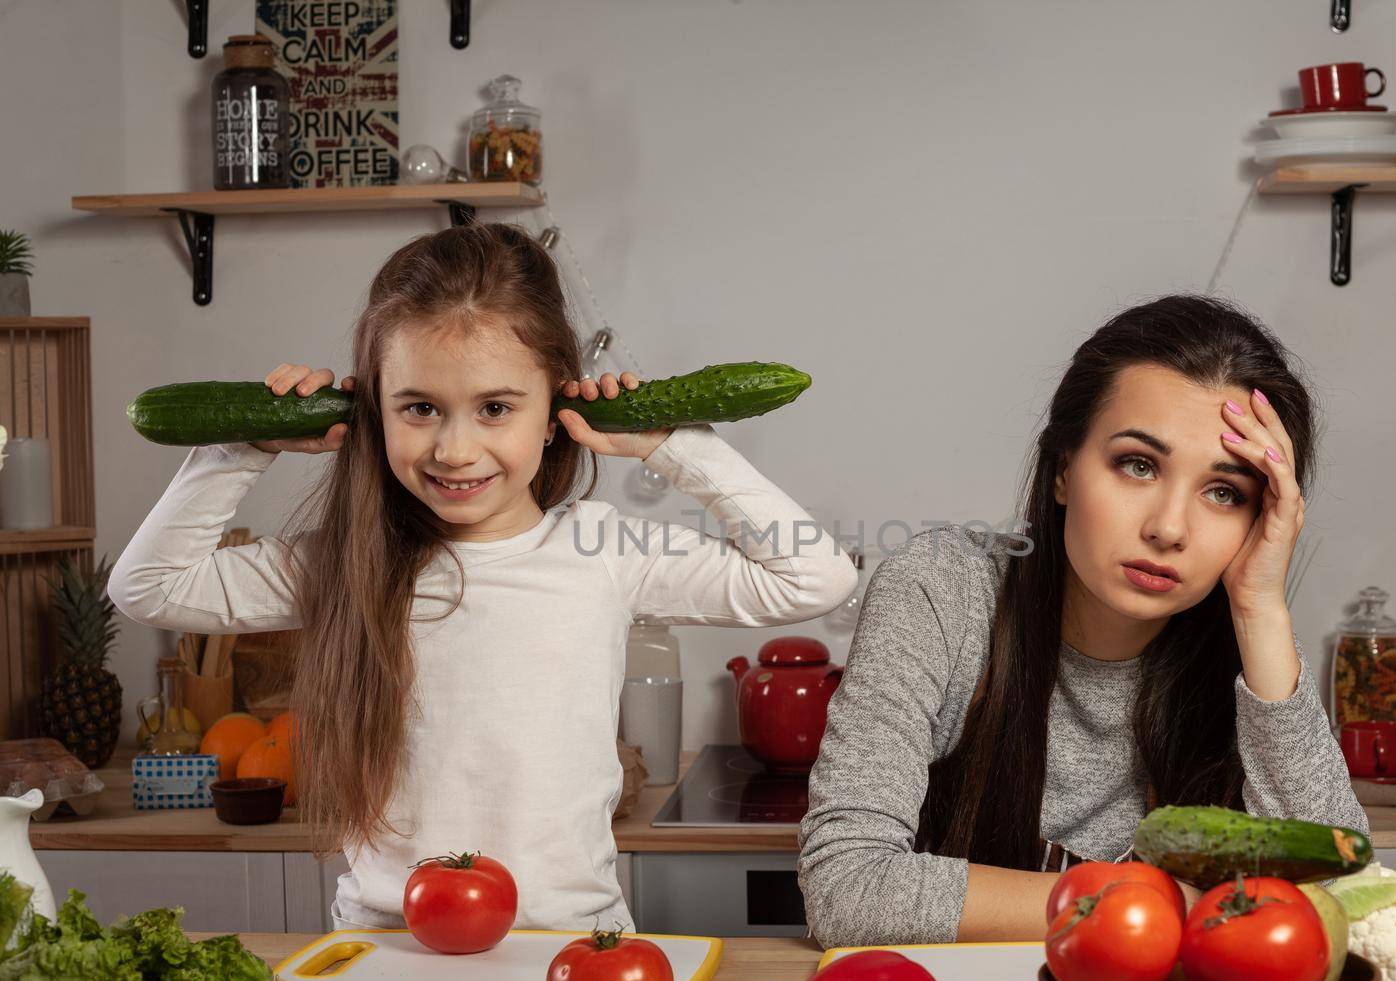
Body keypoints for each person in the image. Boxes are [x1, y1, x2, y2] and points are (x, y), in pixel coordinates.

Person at [111, 222, 856, 932]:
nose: (455, 448)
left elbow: (812, 578)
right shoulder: (339, 560)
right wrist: (241, 444)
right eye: (420, 407)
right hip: (387, 943)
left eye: (495, 407)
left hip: (570, 941)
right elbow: (147, 586)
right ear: (374, 406)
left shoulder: (605, 549)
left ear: (554, 404)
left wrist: (672, 443)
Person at [798, 294, 1367, 948]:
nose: (1169, 527)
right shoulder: (942, 590)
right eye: (1138, 464)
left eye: (1224, 491)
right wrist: (1161, 904)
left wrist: (1262, 609)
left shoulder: (1247, 651)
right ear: (1064, 467)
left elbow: (1342, 897)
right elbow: (847, 886)